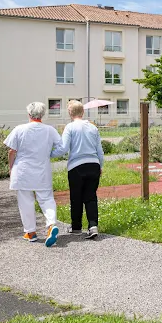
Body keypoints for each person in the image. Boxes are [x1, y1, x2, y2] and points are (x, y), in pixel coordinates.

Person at [4, 102, 61, 247]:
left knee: (25, 202)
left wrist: (11, 168)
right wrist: (48, 155)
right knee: (47, 199)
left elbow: (12, 151)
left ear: (29, 114)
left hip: (23, 170)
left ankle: (30, 232)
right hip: (42, 170)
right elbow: (61, 147)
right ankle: (51, 225)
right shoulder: (50, 130)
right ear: (43, 114)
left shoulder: (19, 129)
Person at [51, 100, 104, 239]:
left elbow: (63, 148)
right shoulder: (93, 127)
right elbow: (100, 150)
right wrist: (100, 166)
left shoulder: (70, 127)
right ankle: (93, 226)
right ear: (83, 112)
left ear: (70, 113)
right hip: (93, 164)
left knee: (76, 197)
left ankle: (76, 227)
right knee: (91, 196)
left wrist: (48, 154)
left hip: (76, 166)